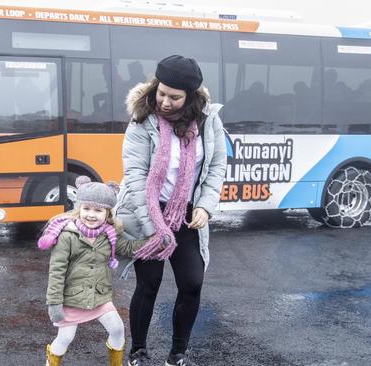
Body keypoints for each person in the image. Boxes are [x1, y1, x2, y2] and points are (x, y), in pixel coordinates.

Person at [115, 55, 227, 366]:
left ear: (191, 96)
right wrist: (153, 226)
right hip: (149, 213)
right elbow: (135, 177)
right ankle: (138, 351)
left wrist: (206, 205)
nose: (165, 101)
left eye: (175, 97)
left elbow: (217, 165)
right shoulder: (142, 121)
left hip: (188, 215)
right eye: (162, 93)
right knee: (148, 285)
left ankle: (177, 353)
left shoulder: (208, 121)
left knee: (192, 283)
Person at [39, 176, 150, 366]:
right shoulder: (67, 235)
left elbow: (129, 248)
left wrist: (154, 243)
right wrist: (54, 303)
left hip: (99, 297)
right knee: (65, 338)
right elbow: (56, 271)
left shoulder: (109, 235)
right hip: (71, 299)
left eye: (98, 210)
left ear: (107, 214)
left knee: (117, 328)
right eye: (87, 208)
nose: (91, 214)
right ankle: (51, 362)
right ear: (79, 209)